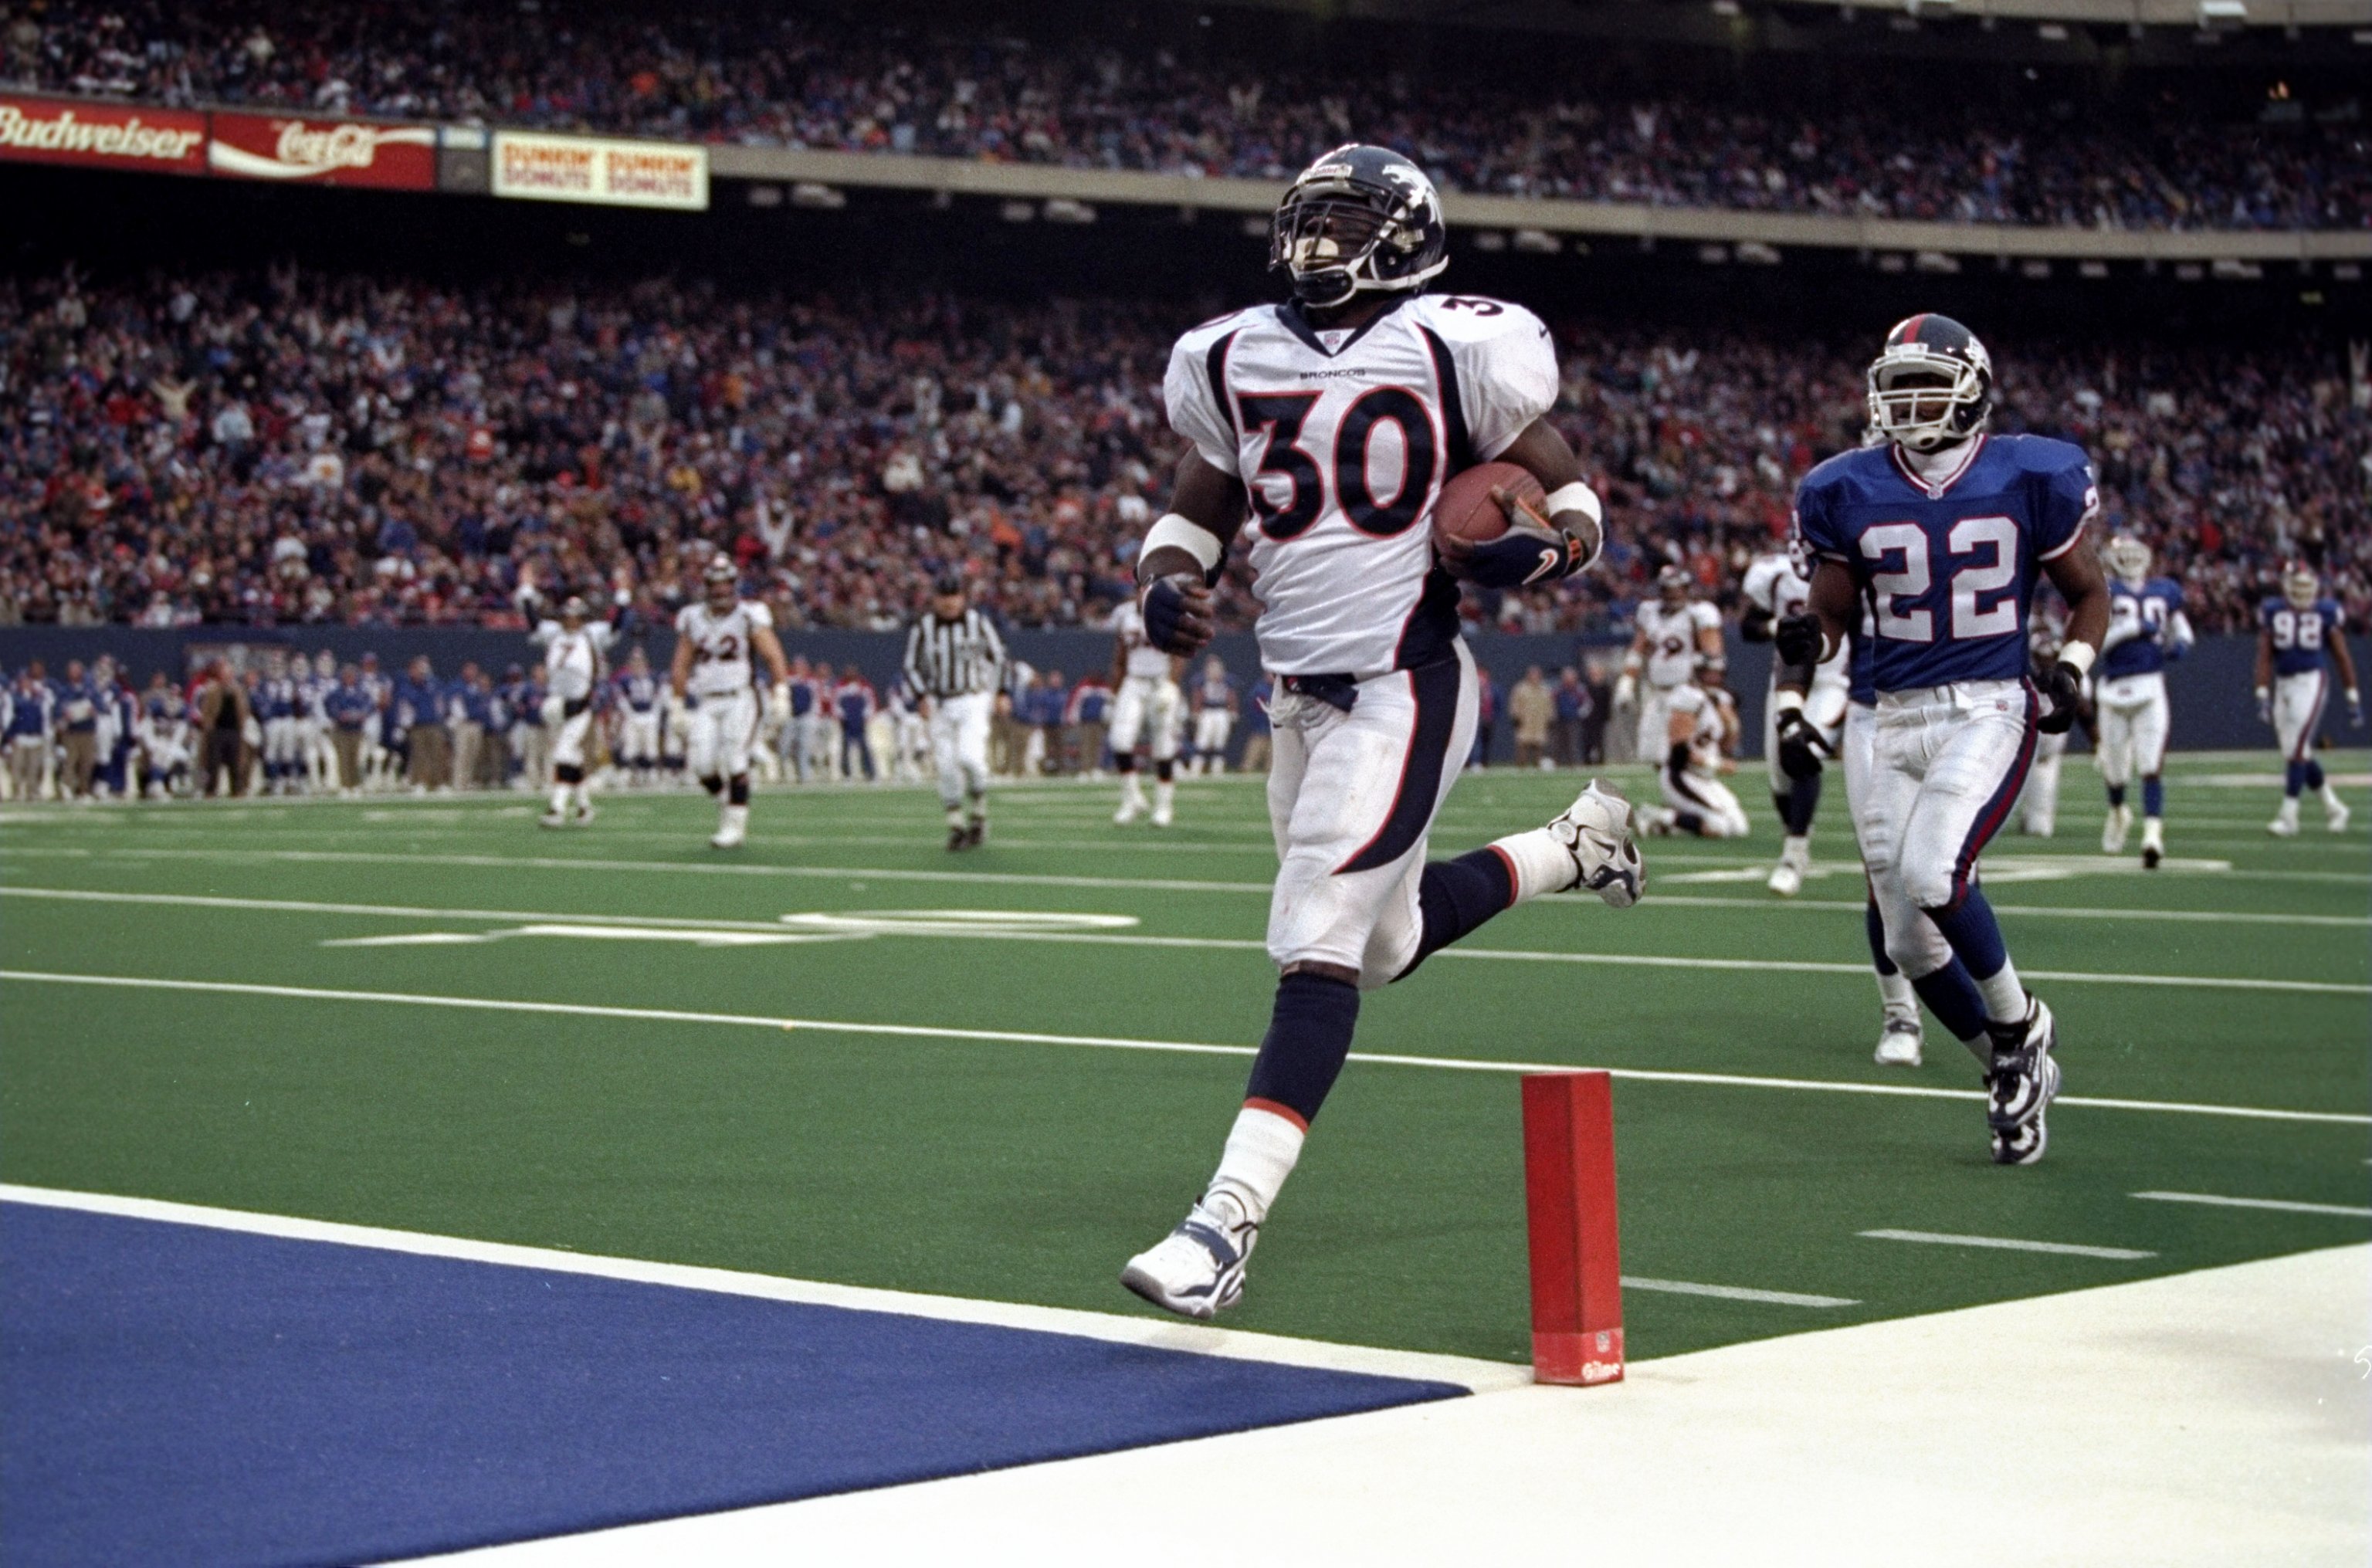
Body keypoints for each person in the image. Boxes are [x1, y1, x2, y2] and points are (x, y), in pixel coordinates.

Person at [1116, 144, 1643, 1320]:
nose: (1315, 242)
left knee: (1316, 938)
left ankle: (1225, 1221)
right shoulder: (1229, 352)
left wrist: (1560, 540)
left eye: (1345, 220)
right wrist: (1160, 580)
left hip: (1406, 680)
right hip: (1297, 691)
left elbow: (1560, 477)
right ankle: (1576, 845)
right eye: (1306, 219)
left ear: (1405, 236)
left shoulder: (1457, 342)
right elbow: (1196, 505)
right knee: (1382, 941)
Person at [1779, 311, 2109, 1166]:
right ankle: (2007, 1068)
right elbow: (1832, 613)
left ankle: (2019, 1021)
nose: (1911, 400)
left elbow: (2089, 592)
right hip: (1891, 715)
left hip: (1989, 704)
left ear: (1973, 390)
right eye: (1899, 385)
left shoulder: (2031, 472)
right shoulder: (1843, 487)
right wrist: (1805, 643)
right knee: (1906, 940)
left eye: (1929, 383)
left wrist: (2072, 666)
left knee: (1934, 872)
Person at [1740, 545, 1852, 896]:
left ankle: (1794, 853)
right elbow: (1748, 627)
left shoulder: (1851, 563)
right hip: (1787, 681)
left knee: (1804, 756)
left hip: (1832, 683)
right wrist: (1777, 626)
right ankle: (1796, 832)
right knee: (1780, 780)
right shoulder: (1774, 574)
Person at [672, 557, 794, 848]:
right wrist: (676, 703)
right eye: (715, 585)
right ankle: (729, 802)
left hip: (741, 697)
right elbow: (681, 663)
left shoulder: (749, 615)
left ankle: (735, 828)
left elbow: (773, 655)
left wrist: (781, 692)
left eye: (725, 584)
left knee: (735, 758)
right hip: (707, 700)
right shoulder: (693, 617)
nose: (720, 591)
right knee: (701, 765)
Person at [2092, 534, 2192, 866]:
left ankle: (2153, 836)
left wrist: (2180, 645)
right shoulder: (2105, 590)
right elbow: (2098, 642)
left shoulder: (2164, 590)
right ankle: (2119, 811)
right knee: (2116, 771)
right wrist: (2133, 628)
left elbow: (2184, 631)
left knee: (2151, 766)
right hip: (2114, 686)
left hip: (2150, 685)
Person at [2255, 562, 2360, 837]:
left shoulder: (2325, 612)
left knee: (2299, 748)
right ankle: (2334, 807)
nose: (2301, 592)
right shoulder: (2274, 610)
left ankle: (2289, 816)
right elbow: (2264, 654)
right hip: (2284, 683)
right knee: (2295, 753)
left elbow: (2341, 655)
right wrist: (2263, 692)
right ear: (2286, 586)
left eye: (2306, 586)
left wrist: (2352, 694)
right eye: (2297, 585)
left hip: (2311, 681)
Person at [903, 571, 1006, 849]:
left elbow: (998, 657)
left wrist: (1001, 693)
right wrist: (921, 695)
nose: (949, 603)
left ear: (962, 598)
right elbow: (911, 665)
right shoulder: (923, 627)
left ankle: (980, 812)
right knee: (947, 766)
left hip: (972, 699)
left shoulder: (978, 623)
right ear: (935, 599)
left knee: (970, 758)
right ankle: (957, 825)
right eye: (944, 597)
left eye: (954, 597)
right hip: (940, 702)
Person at [1618, 565, 1723, 765]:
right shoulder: (1649, 612)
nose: (1673, 595)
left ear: (1687, 589)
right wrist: (1626, 682)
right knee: (1649, 753)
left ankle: (1688, 790)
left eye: (1678, 589)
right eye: (1668, 590)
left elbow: (1715, 655)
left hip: (1685, 690)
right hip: (1656, 692)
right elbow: (1637, 650)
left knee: (1682, 751)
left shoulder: (1698, 614)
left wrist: (1706, 683)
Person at [1635, 672, 1750, 838]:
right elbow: (1680, 751)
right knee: (1719, 826)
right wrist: (1716, 764)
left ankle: (1669, 824)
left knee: (1739, 828)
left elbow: (1725, 744)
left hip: (1705, 779)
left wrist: (1732, 726)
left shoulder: (1716, 705)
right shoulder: (1689, 699)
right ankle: (1654, 814)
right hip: (1682, 775)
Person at [533, 596, 615, 825]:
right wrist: (528, 595)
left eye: (576, 617)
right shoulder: (554, 635)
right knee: (572, 756)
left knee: (562, 754)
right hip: (557, 705)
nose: (572, 621)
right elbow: (533, 625)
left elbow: (618, 626)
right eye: (569, 616)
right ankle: (584, 807)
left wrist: (622, 599)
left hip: (580, 705)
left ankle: (557, 808)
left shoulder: (591, 635)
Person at [1108, 595, 1185, 825]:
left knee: (1163, 746)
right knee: (1120, 740)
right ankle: (1132, 798)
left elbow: (1179, 652)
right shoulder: (1125, 613)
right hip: (1134, 681)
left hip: (1161, 682)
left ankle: (1164, 806)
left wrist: (1172, 684)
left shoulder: (1169, 612)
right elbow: (1120, 655)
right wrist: (1114, 691)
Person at [195, 661, 252, 797]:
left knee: (236, 762)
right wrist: (208, 726)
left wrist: (242, 725)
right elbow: (206, 710)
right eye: (225, 674)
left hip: (234, 730)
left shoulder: (238, 690)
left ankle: (237, 790)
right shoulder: (211, 690)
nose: (227, 677)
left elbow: (243, 710)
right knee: (213, 762)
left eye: (229, 674)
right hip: (217, 730)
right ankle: (210, 790)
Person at [615, 648, 662, 787]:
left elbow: (658, 697)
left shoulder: (653, 678)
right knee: (630, 746)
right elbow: (621, 699)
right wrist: (629, 713)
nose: (637, 665)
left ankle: (651, 774)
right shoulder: (625, 680)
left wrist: (655, 713)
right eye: (634, 662)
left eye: (640, 662)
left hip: (649, 715)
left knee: (650, 746)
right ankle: (627, 774)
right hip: (633, 715)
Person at [323, 664, 373, 793]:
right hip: (342, 730)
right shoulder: (336, 693)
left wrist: (361, 714)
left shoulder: (361, 692)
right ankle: (345, 785)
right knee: (344, 758)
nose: (350, 678)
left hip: (357, 729)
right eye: (347, 676)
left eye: (352, 676)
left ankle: (356, 784)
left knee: (356, 757)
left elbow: (369, 706)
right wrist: (340, 715)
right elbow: (330, 708)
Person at [5, 663, 52, 801]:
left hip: (35, 737)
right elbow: (8, 719)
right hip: (20, 737)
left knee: (34, 768)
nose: (26, 684)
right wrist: (9, 736)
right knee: (17, 767)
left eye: (28, 681)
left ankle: (33, 792)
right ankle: (17, 792)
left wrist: (44, 735)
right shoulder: (14, 698)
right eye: (23, 681)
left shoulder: (39, 699)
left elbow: (44, 718)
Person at [55, 659, 99, 798]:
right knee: (70, 761)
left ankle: (84, 789)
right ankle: (67, 787)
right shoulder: (64, 690)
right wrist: (64, 714)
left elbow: (102, 706)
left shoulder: (91, 690)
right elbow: (57, 710)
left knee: (87, 762)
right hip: (71, 731)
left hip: (88, 730)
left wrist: (94, 710)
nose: (74, 673)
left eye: (76, 670)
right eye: (71, 671)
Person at [834, 665, 877, 781]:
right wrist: (841, 716)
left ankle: (870, 773)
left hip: (860, 722)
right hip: (847, 723)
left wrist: (867, 716)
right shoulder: (840, 687)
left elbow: (870, 703)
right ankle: (847, 774)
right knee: (846, 748)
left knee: (864, 747)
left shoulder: (864, 686)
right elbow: (836, 704)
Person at [1508, 665, 1553, 769]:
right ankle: (1521, 767)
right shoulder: (1520, 689)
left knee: (1539, 747)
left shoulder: (1545, 689)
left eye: (1537, 675)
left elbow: (1550, 705)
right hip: (1525, 722)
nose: (1534, 677)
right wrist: (1515, 717)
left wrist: (1550, 718)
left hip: (1539, 723)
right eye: (1532, 675)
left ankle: (1537, 766)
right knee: (1522, 746)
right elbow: (1515, 704)